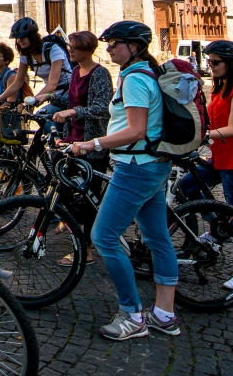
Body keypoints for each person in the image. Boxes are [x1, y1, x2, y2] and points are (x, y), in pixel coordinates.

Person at [68, 21, 180, 340]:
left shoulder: (134, 78)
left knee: (103, 237)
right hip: (153, 165)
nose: (108, 49)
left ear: (133, 46)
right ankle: (164, 314)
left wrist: (93, 144)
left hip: (135, 166)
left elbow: (135, 130)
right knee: (158, 237)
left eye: (114, 43)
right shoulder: (147, 72)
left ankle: (132, 316)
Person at [178, 40, 233, 291]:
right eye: (208, 61)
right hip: (218, 159)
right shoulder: (220, 89)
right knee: (187, 187)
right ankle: (217, 227)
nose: (210, 66)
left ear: (231, 64)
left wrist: (201, 135)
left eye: (215, 62)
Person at [48, 31, 112, 266]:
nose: (70, 50)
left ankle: (86, 249)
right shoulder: (76, 71)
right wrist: (48, 97)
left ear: (87, 49)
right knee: (59, 180)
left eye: (74, 47)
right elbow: (70, 100)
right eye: (70, 46)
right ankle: (72, 219)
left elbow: (101, 108)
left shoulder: (100, 74)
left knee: (89, 195)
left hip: (92, 143)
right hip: (72, 139)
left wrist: (73, 112)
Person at [0, 17, 73, 127]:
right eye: (17, 38)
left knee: (44, 117)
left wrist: (30, 101)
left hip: (69, 91)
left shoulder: (53, 50)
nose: (19, 40)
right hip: (53, 95)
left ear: (32, 36)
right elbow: (17, 82)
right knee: (45, 121)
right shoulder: (26, 55)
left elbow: (52, 84)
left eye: (23, 37)